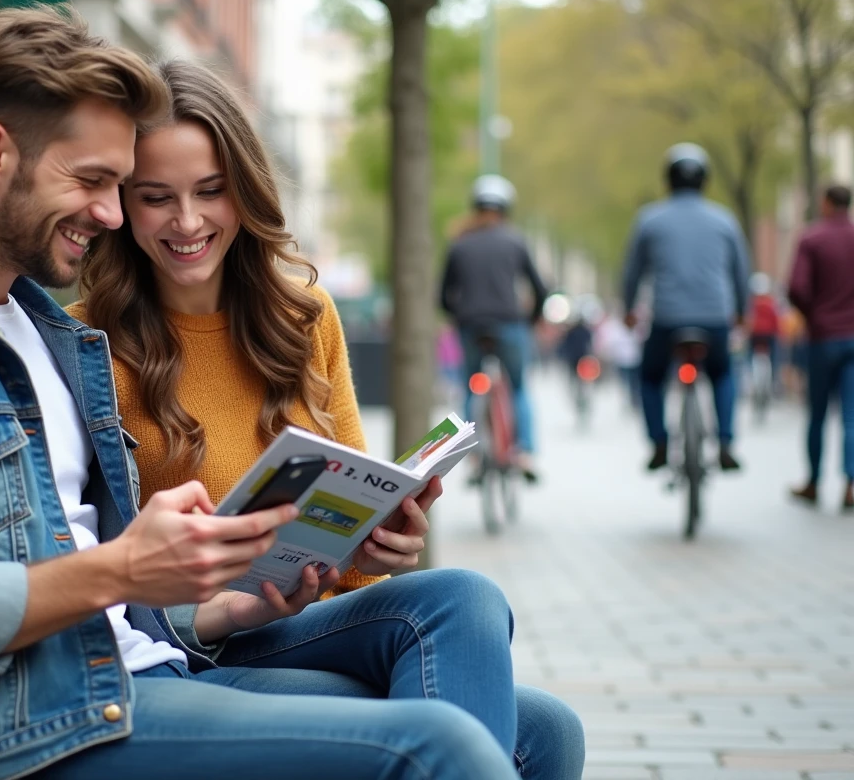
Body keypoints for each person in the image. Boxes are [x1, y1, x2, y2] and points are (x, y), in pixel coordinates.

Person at [0, 6, 520, 780]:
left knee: (531, 722)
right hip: (32, 729)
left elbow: (108, 593)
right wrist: (120, 567)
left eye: (119, 187)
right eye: (96, 182)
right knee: (444, 749)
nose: (113, 215)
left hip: (145, 668)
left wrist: (226, 606)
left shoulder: (45, 334)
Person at [69, 60, 583, 780]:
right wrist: (221, 605)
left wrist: (370, 551)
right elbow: (89, 575)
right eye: (157, 198)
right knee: (536, 732)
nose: (188, 222)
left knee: (479, 622)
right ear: (123, 204)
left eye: (211, 191)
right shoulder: (84, 345)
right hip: (187, 648)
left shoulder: (303, 316)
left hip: (297, 623)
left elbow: (349, 527)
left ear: (245, 190)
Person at [622, 143, 750, 472]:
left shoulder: (649, 220)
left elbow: (632, 272)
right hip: (714, 317)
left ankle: (659, 443)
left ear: (668, 180)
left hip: (667, 319)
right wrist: (740, 312)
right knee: (722, 373)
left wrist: (629, 310)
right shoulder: (725, 220)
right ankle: (725, 440)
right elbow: (740, 273)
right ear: (705, 181)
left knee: (650, 378)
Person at [440, 175, 548, 481]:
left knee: (470, 386)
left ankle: (473, 457)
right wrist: (531, 318)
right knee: (518, 387)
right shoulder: (516, 241)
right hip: (510, 324)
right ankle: (524, 452)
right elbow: (540, 289)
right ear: (506, 209)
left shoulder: (459, 244)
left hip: (471, 326)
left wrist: (458, 316)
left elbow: (444, 295)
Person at [787, 184, 854, 510]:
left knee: (817, 414)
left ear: (826, 203)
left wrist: (812, 314)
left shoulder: (811, 238)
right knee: (852, 417)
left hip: (822, 337)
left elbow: (796, 287)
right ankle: (851, 483)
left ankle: (814, 482)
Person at [747, 272, 781, 392]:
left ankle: (749, 377)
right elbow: (776, 320)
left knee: (749, 355)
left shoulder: (751, 303)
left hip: (755, 335)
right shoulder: (771, 303)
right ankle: (775, 381)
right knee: (775, 357)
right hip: (769, 335)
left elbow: (748, 320)